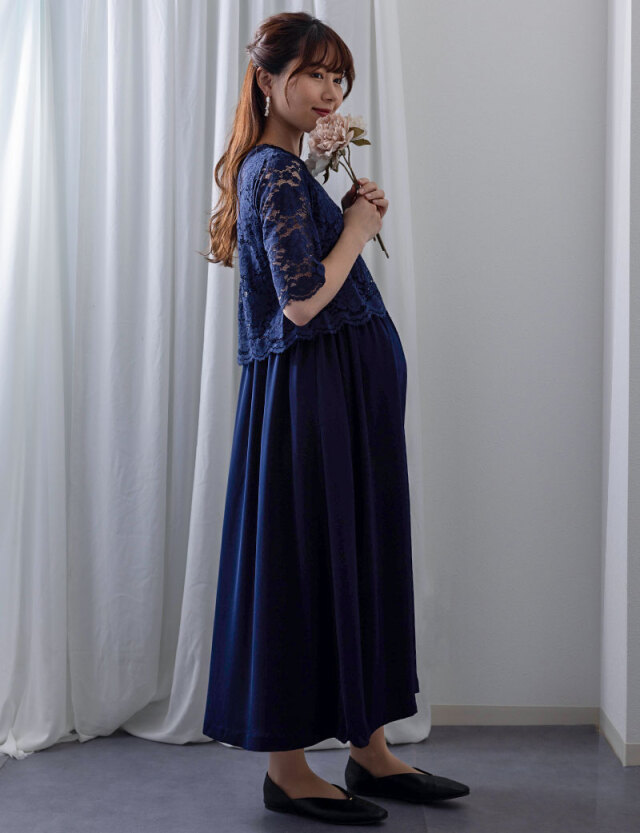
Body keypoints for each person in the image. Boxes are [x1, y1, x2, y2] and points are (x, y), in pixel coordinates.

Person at [200, 11, 470, 825]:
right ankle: (288, 771)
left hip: (334, 399)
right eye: (312, 74)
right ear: (266, 81)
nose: (329, 91)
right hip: (310, 401)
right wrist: (356, 226)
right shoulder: (273, 173)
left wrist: (339, 203)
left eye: (336, 76)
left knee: (355, 556)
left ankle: (370, 750)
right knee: (306, 561)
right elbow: (302, 299)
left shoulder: (287, 168)